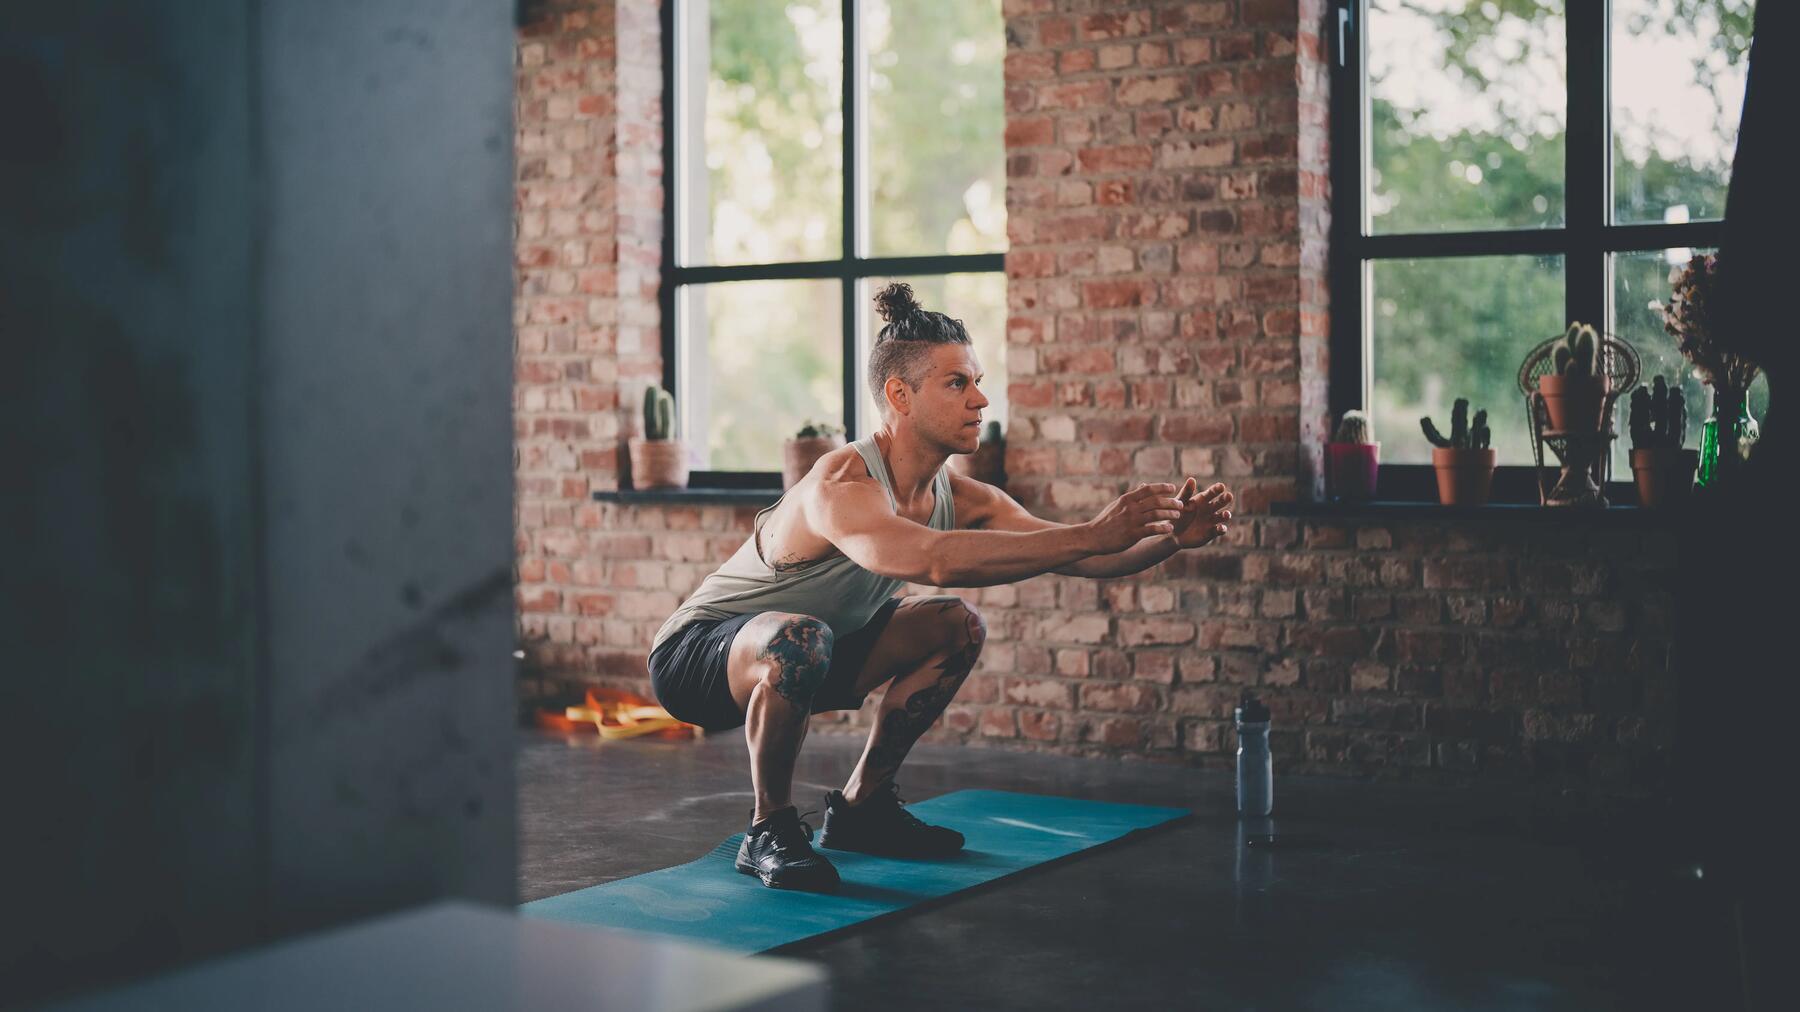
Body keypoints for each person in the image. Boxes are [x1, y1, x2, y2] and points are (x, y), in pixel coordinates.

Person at [647, 282, 1236, 893]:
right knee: (801, 637)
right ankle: (768, 828)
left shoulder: (965, 496)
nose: (980, 399)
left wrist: (1169, 539)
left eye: (977, 380)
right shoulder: (842, 483)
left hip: (822, 651)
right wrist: (1095, 531)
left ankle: (862, 809)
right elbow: (931, 560)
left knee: (955, 625)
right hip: (702, 659)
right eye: (958, 383)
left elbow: (1084, 557)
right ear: (899, 395)